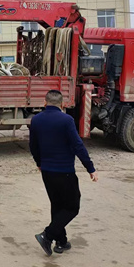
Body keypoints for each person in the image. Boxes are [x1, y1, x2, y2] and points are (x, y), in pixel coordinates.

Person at [29, 89, 99, 256]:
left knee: (57, 205)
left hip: (47, 171)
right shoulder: (66, 120)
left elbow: (33, 145)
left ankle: (61, 242)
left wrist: (39, 163)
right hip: (65, 171)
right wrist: (90, 168)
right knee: (72, 207)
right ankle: (47, 235)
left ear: (45, 102)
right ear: (62, 104)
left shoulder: (36, 120)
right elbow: (78, 146)